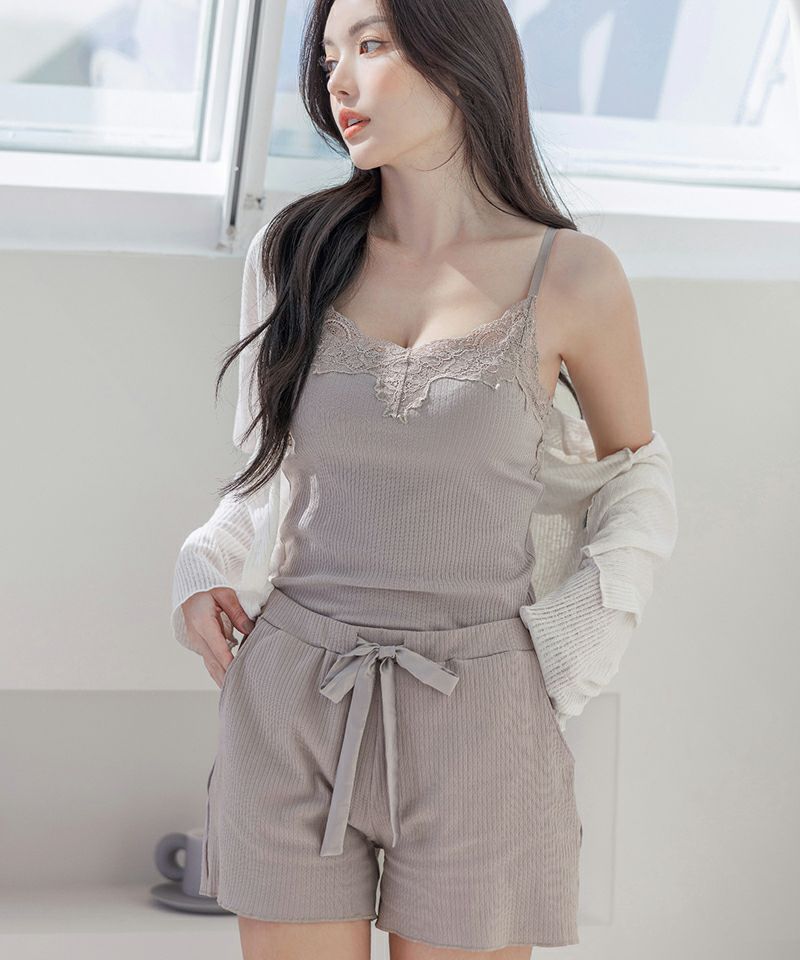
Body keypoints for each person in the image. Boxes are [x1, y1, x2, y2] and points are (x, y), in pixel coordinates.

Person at [171, 1, 679, 957]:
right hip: (291, 696)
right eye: (329, 56)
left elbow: (636, 482)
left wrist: (573, 641)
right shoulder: (294, 253)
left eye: (370, 45)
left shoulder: (573, 277)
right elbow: (264, 471)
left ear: (459, 54)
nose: (338, 78)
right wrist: (205, 563)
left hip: (482, 711)